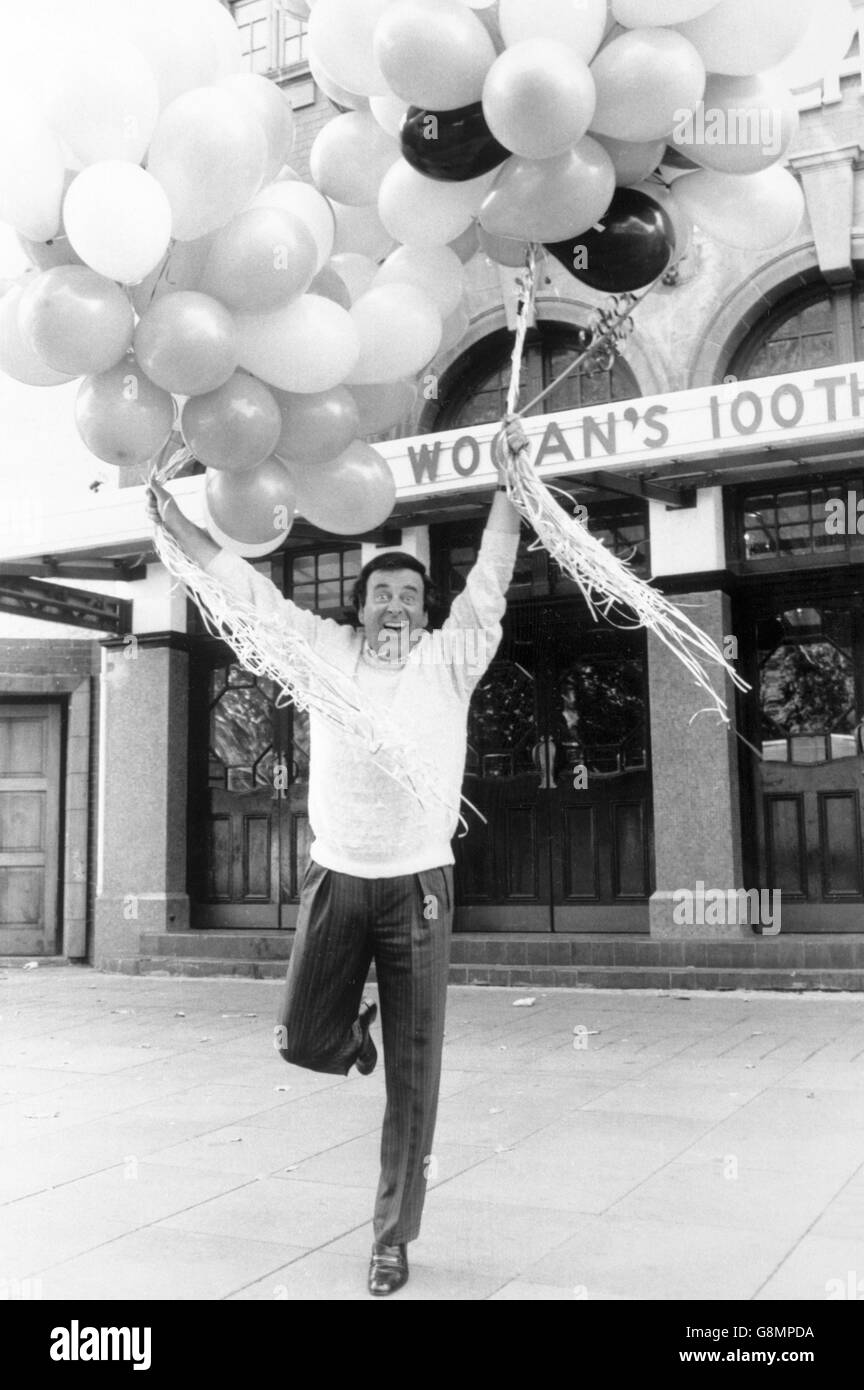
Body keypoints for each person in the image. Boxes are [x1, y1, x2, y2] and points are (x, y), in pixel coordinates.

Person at [145, 418, 525, 1296]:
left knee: (416, 1082)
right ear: (359, 607)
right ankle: (350, 1037)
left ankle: (391, 1239)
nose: (394, 604)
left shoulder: (450, 659)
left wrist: (510, 487)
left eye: (407, 595)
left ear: (423, 611)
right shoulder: (321, 653)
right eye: (380, 593)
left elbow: (492, 580)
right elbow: (242, 590)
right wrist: (172, 518)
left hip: (418, 886)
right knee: (300, 1039)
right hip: (336, 878)